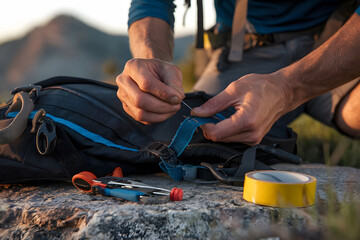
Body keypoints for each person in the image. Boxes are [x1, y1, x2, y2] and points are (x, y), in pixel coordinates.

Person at [116, 0, 360, 145]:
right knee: (191, 135)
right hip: (243, 52)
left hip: (340, 45)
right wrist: (152, 61)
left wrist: (287, 88)